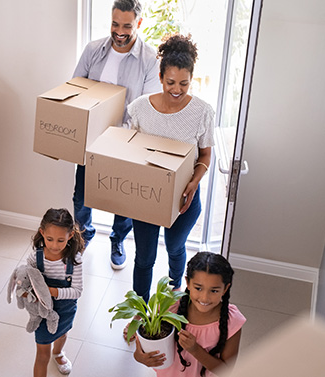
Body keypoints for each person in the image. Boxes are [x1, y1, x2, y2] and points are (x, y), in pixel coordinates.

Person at [72, 0, 161, 270]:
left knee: (122, 200)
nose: (119, 31)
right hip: (90, 139)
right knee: (81, 194)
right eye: (115, 24)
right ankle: (83, 235)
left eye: (126, 25)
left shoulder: (149, 59)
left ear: (139, 24)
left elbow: (146, 109)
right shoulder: (93, 50)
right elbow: (75, 89)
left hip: (125, 141)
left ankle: (117, 239)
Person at [127, 34, 215, 302]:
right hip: (147, 195)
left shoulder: (202, 112)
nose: (177, 89)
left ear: (192, 80)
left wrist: (194, 182)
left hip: (185, 197)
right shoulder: (140, 108)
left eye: (184, 84)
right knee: (144, 258)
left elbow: (206, 154)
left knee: (176, 247)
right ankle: (139, 311)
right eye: (170, 82)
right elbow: (129, 149)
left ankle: (175, 291)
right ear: (160, 76)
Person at [133, 252, 246, 377]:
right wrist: (140, 357)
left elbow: (227, 370)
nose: (205, 297)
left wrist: (195, 350)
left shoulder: (232, 322)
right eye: (198, 288)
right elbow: (143, 345)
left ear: (225, 289)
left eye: (214, 291)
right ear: (187, 282)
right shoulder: (170, 306)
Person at [27, 208, 84, 376]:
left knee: (62, 334)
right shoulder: (34, 259)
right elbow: (27, 283)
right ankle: (51, 355)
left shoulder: (75, 260)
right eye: (49, 239)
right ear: (42, 233)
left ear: (71, 235)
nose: (54, 245)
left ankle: (58, 353)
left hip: (65, 309)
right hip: (43, 313)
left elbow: (77, 291)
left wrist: (50, 291)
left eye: (61, 240)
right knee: (42, 355)